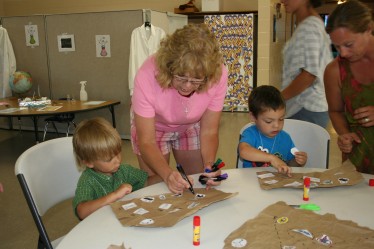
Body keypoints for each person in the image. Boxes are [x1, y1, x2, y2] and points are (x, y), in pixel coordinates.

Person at [131, 23, 227, 194]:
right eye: (181, 77)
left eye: (197, 80)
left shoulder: (217, 73)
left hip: (190, 124)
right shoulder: (147, 74)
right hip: (154, 128)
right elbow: (147, 141)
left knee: (196, 183)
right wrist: (167, 175)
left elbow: (209, 131)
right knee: (157, 189)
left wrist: (209, 165)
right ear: (169, 68)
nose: (188, 86)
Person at [72, 117, 161, 220]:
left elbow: (146, 181)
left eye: (118, 153)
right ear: (88, 162)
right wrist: (115, 195)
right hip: (100, 226)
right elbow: (82, 212)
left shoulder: (124, 170)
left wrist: (169, 176)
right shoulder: (87, 180)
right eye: (109, 159)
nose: (117, 161)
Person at [324, 0, 374, 174]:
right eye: (337, 46)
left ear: (368, 28)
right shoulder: (334, 70)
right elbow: (335, 111)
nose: (343, 53)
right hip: (358, 159)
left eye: (348, 44)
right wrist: (344, 134)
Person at [280, 0, 333, 128]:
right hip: (303, 108)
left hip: (305, 108)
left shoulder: (309, 27)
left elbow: (309, 74)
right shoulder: (309, 24)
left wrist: (278, 98)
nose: (282, 1)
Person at [238, 85, 308, 176]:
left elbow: (289, 165)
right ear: (253, 117)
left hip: (276, 183)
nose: (277, 125)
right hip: (252, 182)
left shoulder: (285, 138)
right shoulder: (250, 134)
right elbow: (243, 151)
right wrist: (272, 158)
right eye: (269, 121)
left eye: (281, 119)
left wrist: (298, 161)